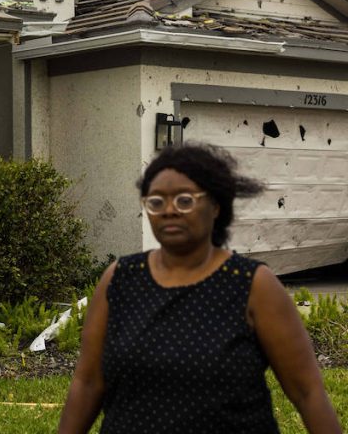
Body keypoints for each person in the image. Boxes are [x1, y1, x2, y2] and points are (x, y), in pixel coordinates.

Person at [58, 144, 343, 433]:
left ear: (216, 206)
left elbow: (307, 392)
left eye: (185, 201)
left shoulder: (252, 284)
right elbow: (88, 382)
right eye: (156, 202)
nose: (169, 210)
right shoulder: (120, 279)